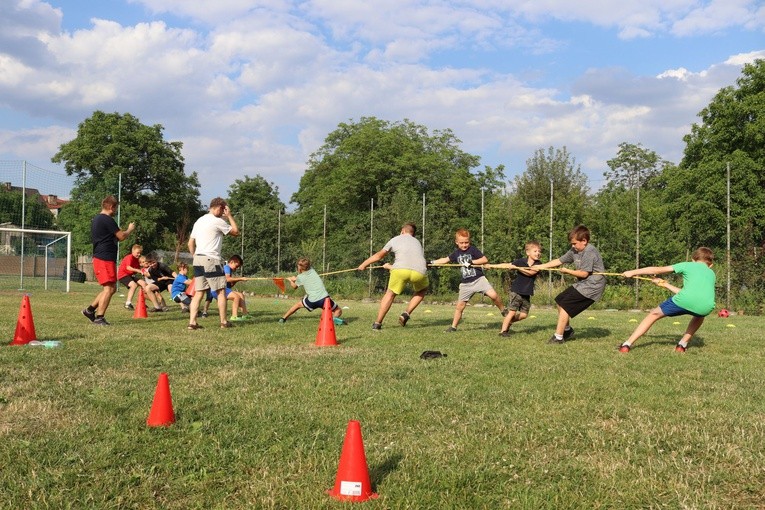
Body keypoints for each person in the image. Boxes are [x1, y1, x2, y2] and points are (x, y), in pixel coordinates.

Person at [619, 247, 716, 353]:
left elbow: (657, 270)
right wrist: (665, 284)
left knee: (654, 314)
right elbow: (691, 295)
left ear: (693, 259)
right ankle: (682, 345)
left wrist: (632, 272)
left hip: (684, 300)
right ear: (711, 265)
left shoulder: (687, 265)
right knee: (699, 315)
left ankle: (627, 344)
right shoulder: (711, 274)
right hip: (706, 307)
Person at [534, 225, 606, 344]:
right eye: (571, 244)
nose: (572, 246)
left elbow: (583, 274)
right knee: (560, 300)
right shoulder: (574, 250)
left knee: (566, 305)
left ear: (584, 241)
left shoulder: (590, 251)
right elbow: (559, 260)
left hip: (593, 285)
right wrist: (541, 266)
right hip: (584, 283)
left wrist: (568, 271)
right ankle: (567, 331)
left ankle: (558, 337)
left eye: (574, 243)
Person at [430, 229, 507, 332]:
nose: (464, 245)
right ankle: (453, 327)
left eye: (466, 242)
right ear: (456, 242)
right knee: (460, 307)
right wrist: (432, 262)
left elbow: (484, 259)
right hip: (466, 284)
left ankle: (503, 310)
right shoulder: (456, 253)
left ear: (469, 241)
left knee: (493, 295)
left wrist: (472, 262)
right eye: (461, 243)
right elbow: (445, 260)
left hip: (479, 279)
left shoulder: (473, 250)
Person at [357, 222, 429, 330]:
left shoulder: (396, 239)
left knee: (390, 294)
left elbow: (379, 256)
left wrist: (364, 264)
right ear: (412, 234)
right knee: (422, 290)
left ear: (402, 231)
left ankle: (377, 323)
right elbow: (412, 262)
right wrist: (390, 266)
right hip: (419, 272)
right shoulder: (417, 242)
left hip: (400, 271)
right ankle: (406, 313)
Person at [82, 195, 135, 326]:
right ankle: (99, 317)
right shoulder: (106, 219)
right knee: (109, 288)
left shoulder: (97, 219)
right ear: (111, 207)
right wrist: (130, 229)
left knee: (110, 288)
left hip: (104, 257)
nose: (115, 211)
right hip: (104, 258)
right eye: (116, 208)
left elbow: (109, 237)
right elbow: (121, 236)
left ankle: (90, 310)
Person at [187, 197, 239, 330]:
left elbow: (190, 243)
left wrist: (195, 256)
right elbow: (236, 232)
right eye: (223, 209)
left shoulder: (199, 220)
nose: (223, 213)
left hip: (198, 259)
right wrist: (230, 216)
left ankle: (192, 323)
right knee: (221, 291)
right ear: (219, 207)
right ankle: (224, 322)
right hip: (211, 259)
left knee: (199, 292)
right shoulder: (218, 221)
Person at [486, 240, 542, 337]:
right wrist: (491, 266)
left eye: (539, 251)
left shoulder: (539, 264)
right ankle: (503, 331)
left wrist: (517, 268)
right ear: (528, 252)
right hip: (516, 291)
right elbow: (507, 265)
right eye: (535, 251)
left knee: (524, 315)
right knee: (512, 312)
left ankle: (508, 321)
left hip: (526, 293)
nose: (538, 253)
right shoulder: (520, 261)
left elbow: (531, 273)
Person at [279, 257, 345, 325]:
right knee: (338, 310)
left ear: (299, 267)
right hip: (325, 299)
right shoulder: (313, 270)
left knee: (298, 305)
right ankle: (333, 319)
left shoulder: (300, 277)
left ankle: (283, 318)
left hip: (312, 301)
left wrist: (290, 280)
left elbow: (294, 286)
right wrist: (295, 278)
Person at [116, 244, 162, 311]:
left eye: (140, 253)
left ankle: (151, 303)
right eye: (137, 252)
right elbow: (128, 267)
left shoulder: (137, 260)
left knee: (144, 284)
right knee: (133, 285)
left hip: (130, 275)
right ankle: (128, 303)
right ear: (133, 251)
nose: (139, 254)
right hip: (123, 275)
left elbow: (141, 268)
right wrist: (138, 270)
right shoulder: (129, 257)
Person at [210, 255, 252, 321]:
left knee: (241, 295)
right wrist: (241, 278)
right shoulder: (227, 267)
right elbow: (228, 279)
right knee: (236, 297)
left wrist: (238, 280)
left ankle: (245, 314)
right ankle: (234, 316)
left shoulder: (229, 270)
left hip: (224, 289)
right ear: (232, 262)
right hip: (217, 289)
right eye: (237, 266)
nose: (237, 268)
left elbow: (229, 285)